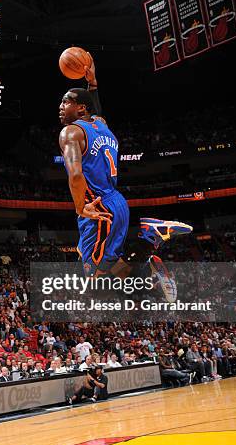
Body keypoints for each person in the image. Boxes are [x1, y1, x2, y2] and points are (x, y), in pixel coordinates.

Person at [58, 54, 192, 297]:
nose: (60, 107)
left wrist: (80, 207)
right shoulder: (102, 125)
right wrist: (93, 83)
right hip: (116, 202)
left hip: (97, 208)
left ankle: (149, 241)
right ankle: (150, 270)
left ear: (80, 108)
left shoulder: (70, 133)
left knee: (96, 285)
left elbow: (76, 175)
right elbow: (96, 110)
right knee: (101, 264)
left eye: (66, 102)